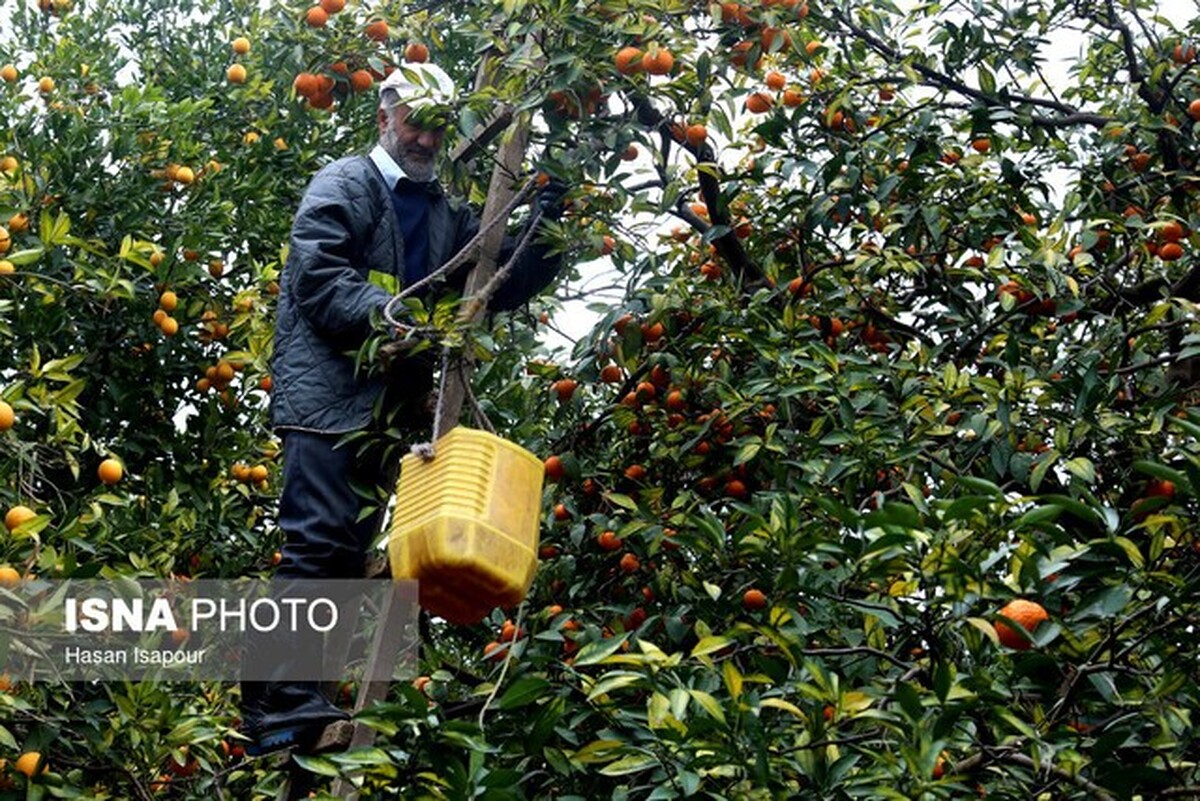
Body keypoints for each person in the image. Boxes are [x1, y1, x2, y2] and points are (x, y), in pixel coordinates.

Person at [239, 62, 564, 756]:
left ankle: (302, 695)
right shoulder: (345, 184)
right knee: (317, 540)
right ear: (384, 116)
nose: (424, 136)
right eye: (413, 119)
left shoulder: (445, 212)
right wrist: (392, 319)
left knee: (347, 547)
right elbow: (321, 276)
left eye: (439, 124)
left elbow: (494, 279)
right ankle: (274, 701)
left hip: (385, 411)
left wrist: (547, 218)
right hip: (328, 397)